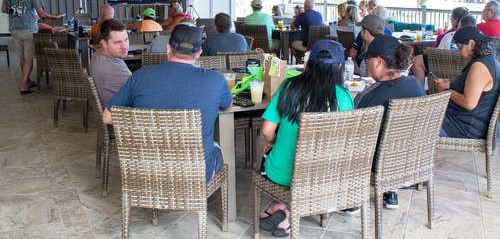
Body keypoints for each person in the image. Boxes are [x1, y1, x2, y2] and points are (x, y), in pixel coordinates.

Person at [103, 23, 233, 182]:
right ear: (199, 53)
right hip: (196, 175)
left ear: (168, 48)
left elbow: (107, 118)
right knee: (217, 147)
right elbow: (228, 107)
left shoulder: (140, 76)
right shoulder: (216, 80)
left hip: (146, 171)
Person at [258, 40, 354, 236]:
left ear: (308, 64)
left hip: (282, 175)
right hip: (324, 176)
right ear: (339, 68)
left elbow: (267, 130)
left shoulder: (289, 86)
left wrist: (273, 143)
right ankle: (286, 212)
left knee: (269, 154)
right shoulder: (344, 97)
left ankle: (283, 208)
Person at [354, 35, 424, 210]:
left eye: (369, 60)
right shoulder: (415, 85)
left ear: (378, 62)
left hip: (375, 162)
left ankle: (351, 197)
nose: (367, 65)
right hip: (410, 157)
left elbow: (354, 132)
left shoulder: (369, 95)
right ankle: (391, 189)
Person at [1, 0, 61, 94]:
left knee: (22, 57)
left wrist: (17, 11)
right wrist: (52, 17)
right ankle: (23, 86)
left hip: (14, 29)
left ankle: (27, 81)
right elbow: (41, 13)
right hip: (28, 29)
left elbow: (4, 9)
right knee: (28, 58)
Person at [435, 26, 500, 139]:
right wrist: (450, 85)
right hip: (465, 121)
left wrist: (446, 89)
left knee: (415, 125)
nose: (459, 52)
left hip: (462, 127)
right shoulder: (490, 60)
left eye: (459, 47)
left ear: (471, 44)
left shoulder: (480, 67)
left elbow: (469, 103)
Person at [412, 7, 471, 88]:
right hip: (466, 71)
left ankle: (421, 92)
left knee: (416, 60)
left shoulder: (450, 36)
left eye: (451, 18)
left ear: (456, 20)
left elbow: (438, 53)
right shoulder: (477, 38)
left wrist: (429, 51)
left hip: (443, 67)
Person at [89, 19, 131, 107]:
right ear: (104, 44)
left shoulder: (98, 53)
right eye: (118, 42)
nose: (124, 46)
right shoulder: (115, 70)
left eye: (126, 39)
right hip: (122, 116)